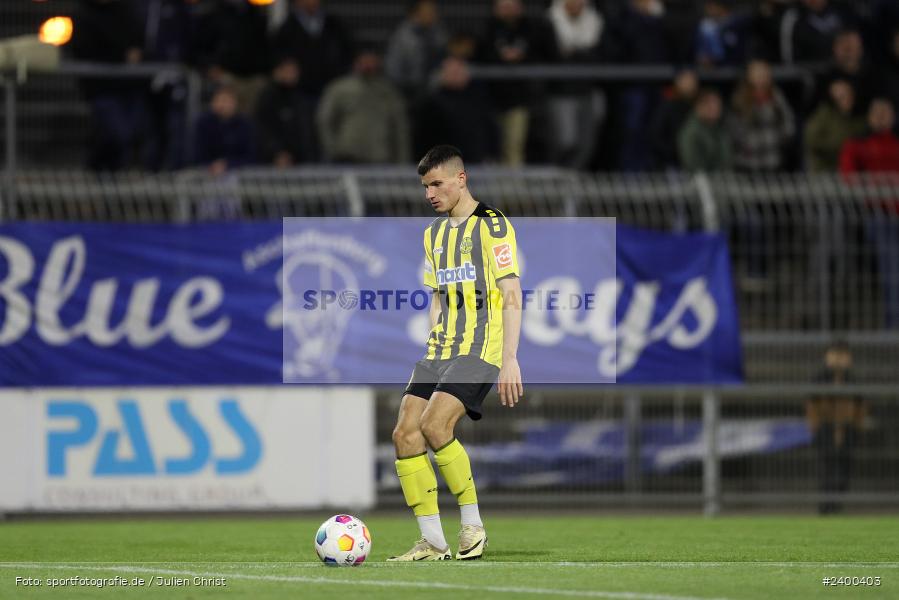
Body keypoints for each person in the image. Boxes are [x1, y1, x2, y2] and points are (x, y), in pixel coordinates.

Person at [388, 145, 523, 561]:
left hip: (481, 347)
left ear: (461, 179)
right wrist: (434, 340)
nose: (430, 193)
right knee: (404, 434)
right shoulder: (433, 234)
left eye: (437, 183)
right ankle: (432, 540)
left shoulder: (492, 225)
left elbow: (511, 291)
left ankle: (472, 527)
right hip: (441, 348)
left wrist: (511, 357)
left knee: (434, 425)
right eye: (425, 186)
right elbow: (437, 297)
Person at [840, 98, 899, 327]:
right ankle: (893, 327)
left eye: (887, 112)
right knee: (892, 269)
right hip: (879, 216)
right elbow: (849, 177)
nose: (882, 117)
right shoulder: (858, 144)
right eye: (877, 112)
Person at [480, 0, 557, 167]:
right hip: (489, 99)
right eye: (504, 6)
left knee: (514, 146)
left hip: (519, 99)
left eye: (512, 5)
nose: (508, 10)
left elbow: (545, 54)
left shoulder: (531, 29)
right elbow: (480, 55)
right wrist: (500, 58)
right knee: (491, 148)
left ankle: (512, 191)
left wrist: (522, 58)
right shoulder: (487, 29)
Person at [316, 48, 410, 164]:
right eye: (365, 60)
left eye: (371, 60)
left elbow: (400, 127)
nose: (368, 64)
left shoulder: (389, 92)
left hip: (380, 158)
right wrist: (333, 149)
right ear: (356, 62)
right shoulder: (339, 89)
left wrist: (402, 161)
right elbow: (325, 121)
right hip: (347, 157)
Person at [806, 340, 865, 514]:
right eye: (835, 354)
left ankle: (836, 506)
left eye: (843, 355)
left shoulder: (853, 380)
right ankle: (825, 508)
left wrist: (857, 427)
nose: (839, 359)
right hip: (825, 428)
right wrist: (815, 426)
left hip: (848, 429)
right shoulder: (819, 379)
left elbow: (861, 405)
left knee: (844, 470)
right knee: (826, 469)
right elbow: (811, 405)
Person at [271, 0, 354, 97]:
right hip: (298, 91)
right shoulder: (287, 28)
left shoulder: (333, 24)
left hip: (331, 87)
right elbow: (278, 56)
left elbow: (347, 51)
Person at [727, 60, 795, 172]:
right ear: (749, 75)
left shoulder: (777, 97)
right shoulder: (739, 98)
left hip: (773, 160)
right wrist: (750, 144)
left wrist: (777, 141)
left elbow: (788, 124)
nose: (761, 76)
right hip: (747, 163)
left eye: (764, 72)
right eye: (757, 73)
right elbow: (734, 129)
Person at [255, 57, 320, 167]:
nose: (291, 75)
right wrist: (277, 152)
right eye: (287, 71)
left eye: (293, 71)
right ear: (277, 72)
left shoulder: (301, 97)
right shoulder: (268, 98)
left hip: (304, 160)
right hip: (277, 162)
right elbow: (263, 129)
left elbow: (307, 130)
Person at [384, 0, 448, 103]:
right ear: (415, 13)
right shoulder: (402, 37)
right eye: (430, 11)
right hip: (410, 92)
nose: (435, 14)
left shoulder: (438, 32)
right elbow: (393, 72)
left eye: (434, 11)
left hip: (435, 89)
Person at [804, 79, 867, 172]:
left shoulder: (856, 116)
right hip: (825, 171)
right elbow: (811, 139)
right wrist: (842, 144)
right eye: (842, 96)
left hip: (849, 171)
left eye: (849, 95)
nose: (848, 99)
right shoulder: (823, 115)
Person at [192, 84, 256, 175]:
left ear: (235, 103)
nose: (221, 105)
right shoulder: (203, 123)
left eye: (225, 101)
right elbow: (197, 154)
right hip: (207, 174)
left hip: (239, 174)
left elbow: (251, 156)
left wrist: (228, 164)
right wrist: (212, 165)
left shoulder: (245, 124)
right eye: (218, 100)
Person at [650, 69, 699, 169]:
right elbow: (656, 136)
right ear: (677, 83)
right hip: (671, 162)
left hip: (696, 161)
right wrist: (675, 152)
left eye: (692, 81)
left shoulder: (699, 106)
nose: (689, 85)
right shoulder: (667, 106)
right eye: (686, 81)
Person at [677, 88, 733, 172]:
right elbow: (692, 164)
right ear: (699, 107)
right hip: (699, 180)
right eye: (709, 105)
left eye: (717, 105)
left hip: (721, 179)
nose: (714, 109)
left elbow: (727, 159)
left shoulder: (721, 129)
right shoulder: (691, 131)